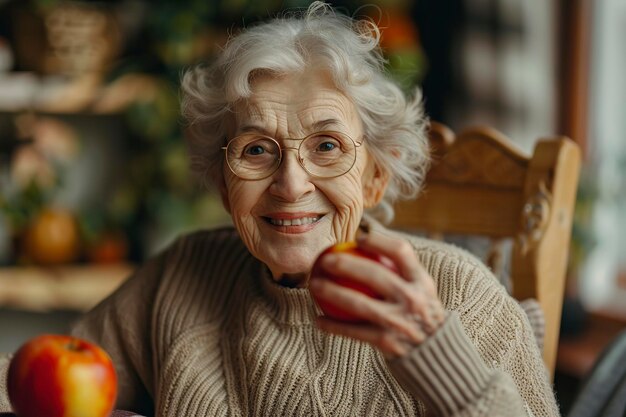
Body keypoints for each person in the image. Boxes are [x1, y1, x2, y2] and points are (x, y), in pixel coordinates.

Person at [0, 2, 560, 416]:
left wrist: (436, 354)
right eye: (256, 150)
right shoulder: (182, 277)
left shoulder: (456, 296)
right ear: (222, 185)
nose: (291, 184)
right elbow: (35, 384)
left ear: (375, 178)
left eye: (327, 146)